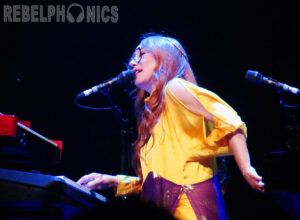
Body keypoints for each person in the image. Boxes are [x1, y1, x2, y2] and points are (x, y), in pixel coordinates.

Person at [77, 33, 265, 220]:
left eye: (140, 55)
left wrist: (246, 167)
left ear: (164, 58)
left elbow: (230, 120)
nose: (132, 63)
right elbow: (160, 183)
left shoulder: (175, 88)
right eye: (133, 58)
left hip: (193, 210)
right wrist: (114, 181)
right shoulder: (154, 116)